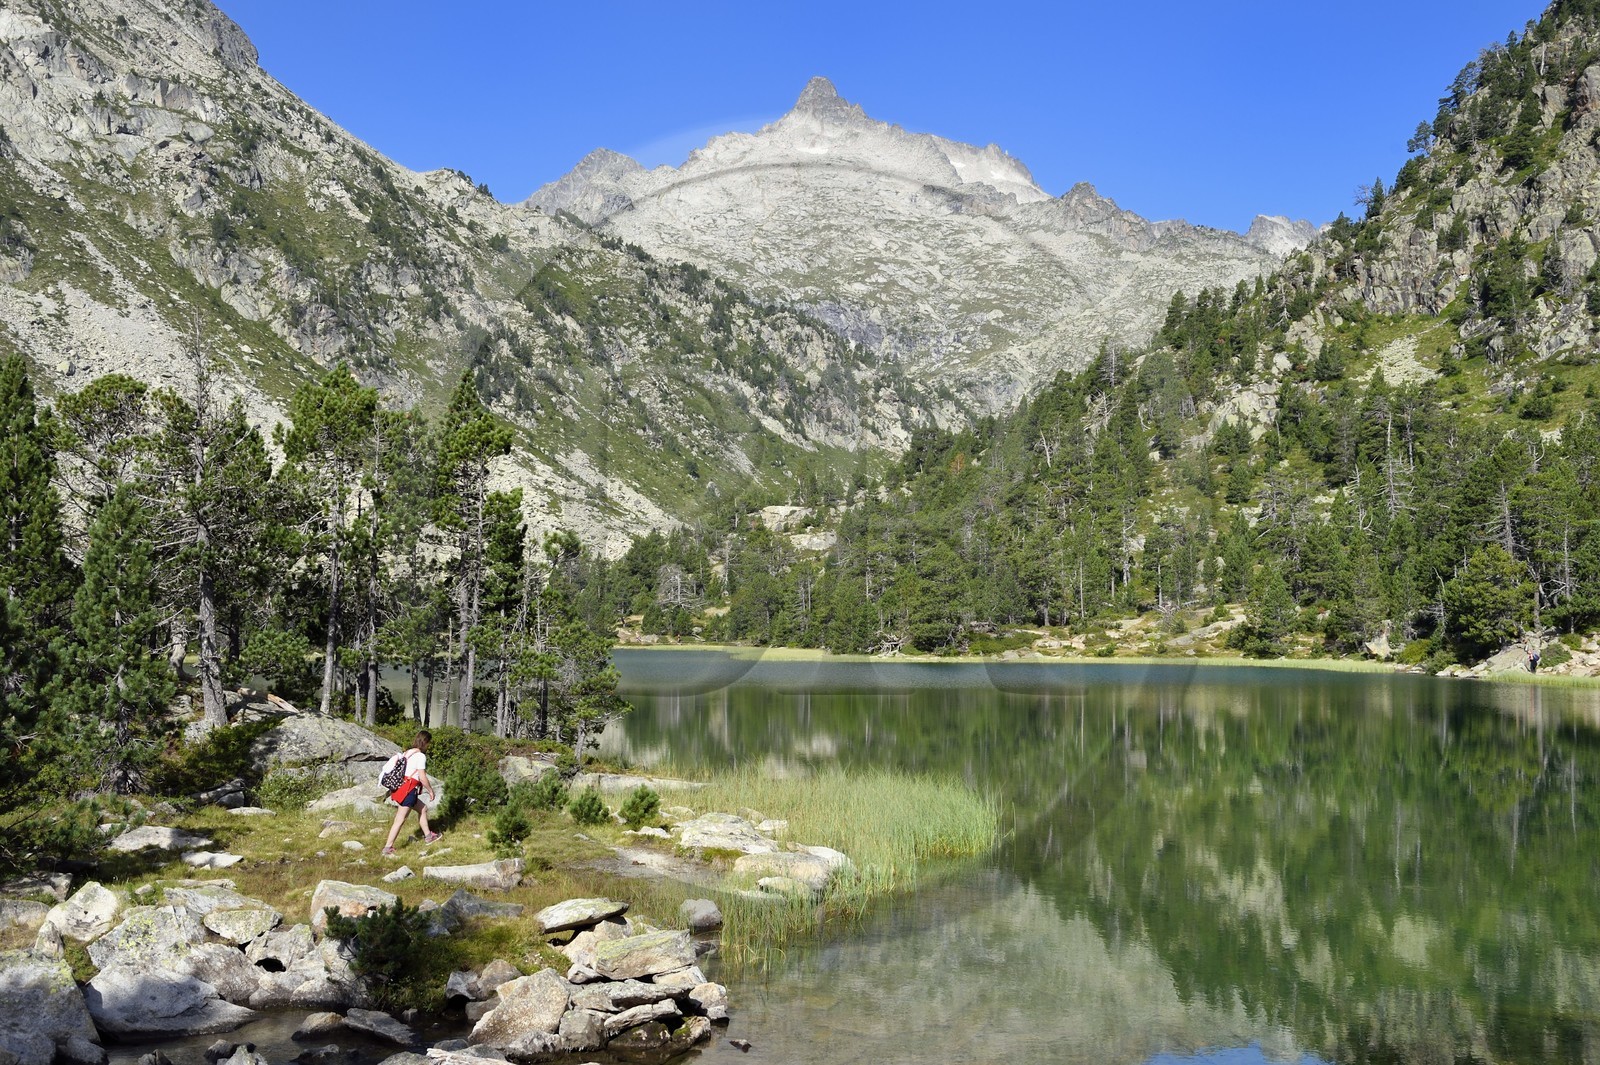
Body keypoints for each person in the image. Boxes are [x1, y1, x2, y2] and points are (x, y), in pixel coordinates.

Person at [381, 730, 439, 856]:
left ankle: (428, 836)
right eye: (429, 743)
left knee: (423, 809)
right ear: (425, 742)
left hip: (400, 789)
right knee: (400, 819)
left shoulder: (407, 753)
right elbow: (422, 777)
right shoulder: (420, 756)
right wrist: (430, 791)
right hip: (408, 792)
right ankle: (388, 847)